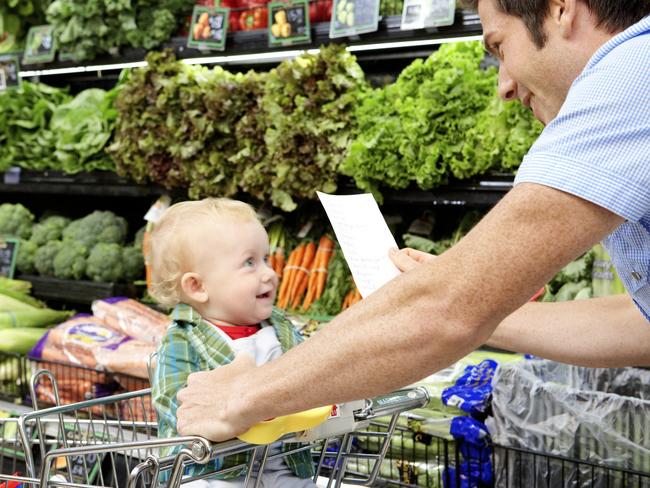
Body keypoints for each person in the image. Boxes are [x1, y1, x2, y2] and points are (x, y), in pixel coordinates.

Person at [176, 0, 650, 443]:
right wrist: (483, 309)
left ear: (562, 8)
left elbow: (442, 312)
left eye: (500, 47)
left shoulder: (632, 75)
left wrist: (245, 397)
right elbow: (641, 323)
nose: (504, 85)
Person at [149, 198, 317, 487]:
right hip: (214, 468)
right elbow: (172, 402)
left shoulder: (280, 327)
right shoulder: (182, 339)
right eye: (249, 263)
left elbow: (313, 367)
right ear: (198, 286)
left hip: (284, 461)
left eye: (266, 259)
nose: (269, 273)